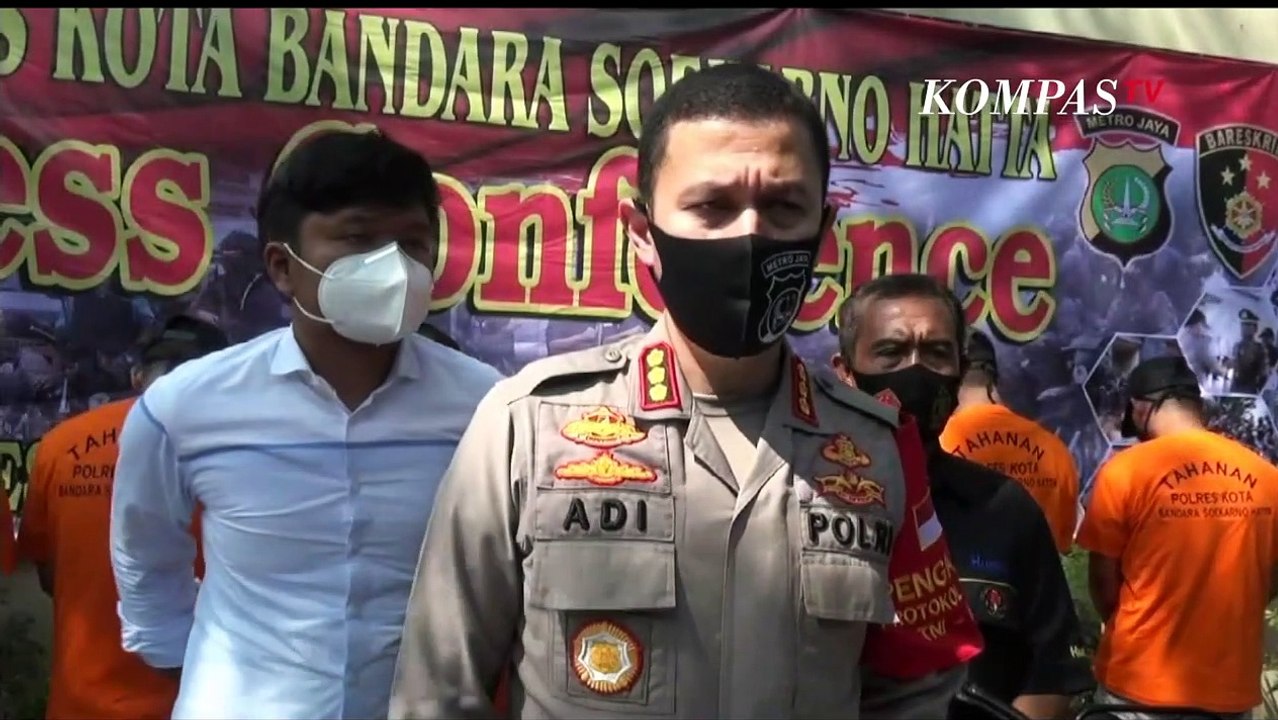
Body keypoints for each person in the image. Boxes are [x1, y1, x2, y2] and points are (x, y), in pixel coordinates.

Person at [389, 63, 975, 720]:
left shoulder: (876, 449)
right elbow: (439, 692)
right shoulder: (529, 426)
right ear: (644, 234)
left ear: (822, 235)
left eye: (783, 207)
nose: (748, 235)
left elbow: (915, 689)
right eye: (711, 206)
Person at [109, 130, 504, 720]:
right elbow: (145, 560)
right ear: (282, 267)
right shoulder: (184, 408)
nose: (393, 268)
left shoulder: (488, 407)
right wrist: (195, 669)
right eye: (358, 239)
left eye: (413, 244)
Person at [832, 273, 1091, 719]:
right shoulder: (800, 497)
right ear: (846, 373)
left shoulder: (1005, 508)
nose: (915, 370)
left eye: (936, 353)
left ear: (959, 369)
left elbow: (1054, 673)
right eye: (890, 352)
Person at [17, 314, 225, 719]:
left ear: (137, 376)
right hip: (203, 700)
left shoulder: (61, 444)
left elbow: (49, 573)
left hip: (84, 699)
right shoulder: (250, 453)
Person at [1077, 356, 1278, 719]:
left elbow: (1103, 584)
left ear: (1140, 408)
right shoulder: (1266, 477)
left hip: (1138, 686)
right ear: (1196, 406)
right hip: (1228, 692)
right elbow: (1271, 578)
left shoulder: (1125, 472)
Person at [940, 329, 1080, 553]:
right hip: (1036, 583)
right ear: (995, 375)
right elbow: (1063, 543)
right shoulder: (1055, 450)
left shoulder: (938, 444)